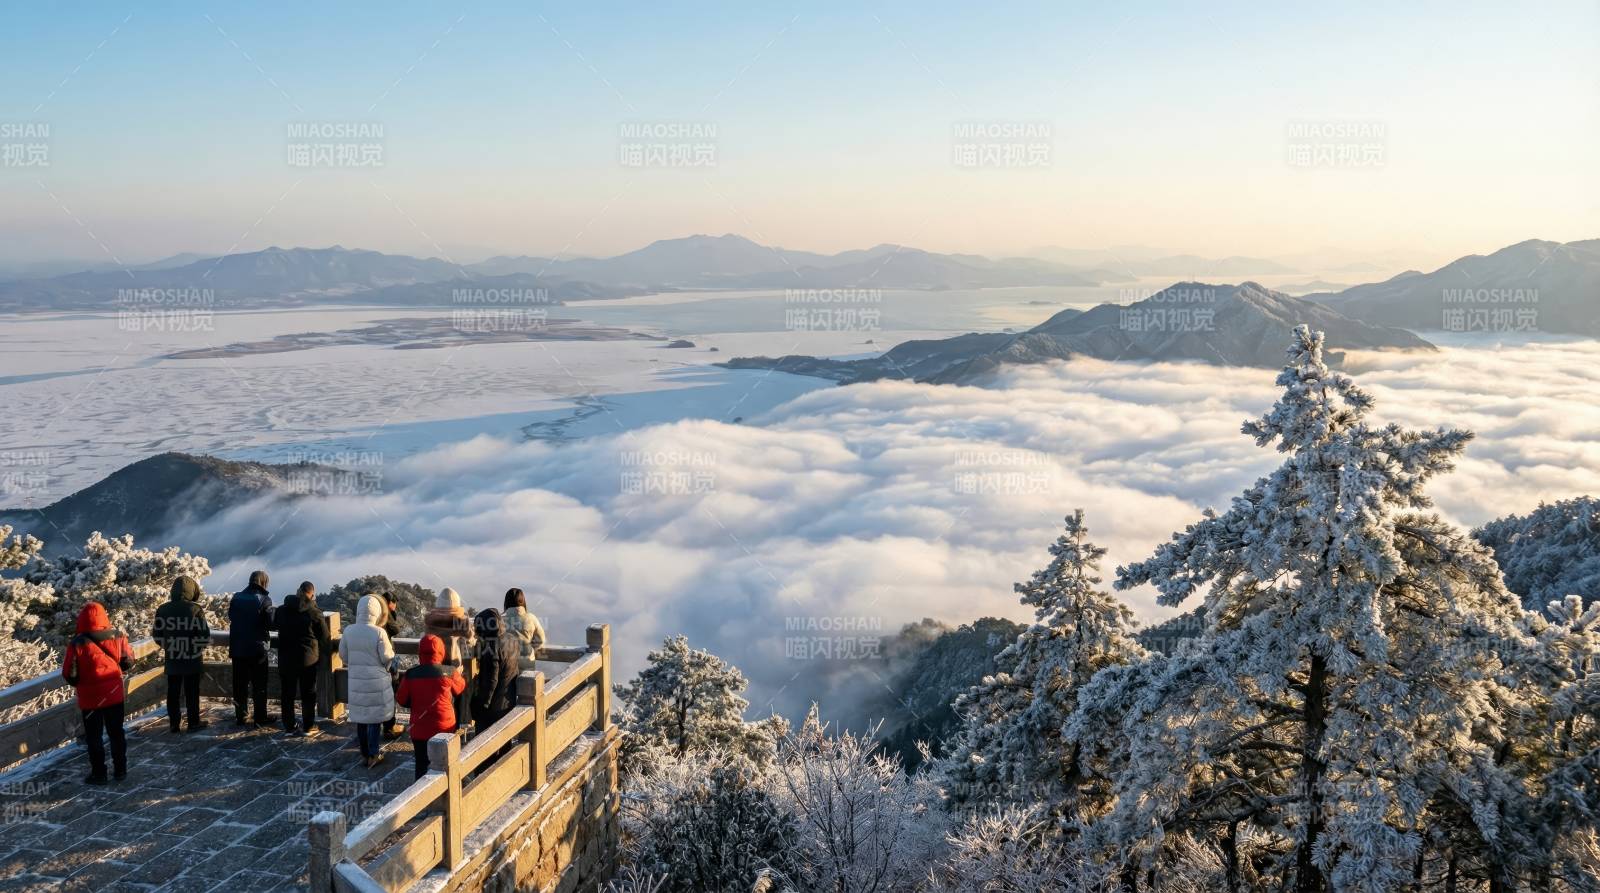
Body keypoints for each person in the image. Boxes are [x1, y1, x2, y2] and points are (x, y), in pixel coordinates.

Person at [61, 602, 134, 784]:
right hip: (114, 693)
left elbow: (69, 673)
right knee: (116, 732)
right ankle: (120, 770)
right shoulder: (117, 636)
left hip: (90, 699)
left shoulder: (77, 643)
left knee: (94, 736)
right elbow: (128, 662)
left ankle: (99, 774)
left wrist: (83, 683)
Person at [396, 634, 465, 779]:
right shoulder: (448, 671)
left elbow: (401, 699)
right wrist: (457, 674)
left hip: (419, 728)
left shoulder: (411, 674)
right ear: (441, 652)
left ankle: (421, 795)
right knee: (446, 763)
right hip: (444, 727)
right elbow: (460, 688)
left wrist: (415, 703)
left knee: (421, 764)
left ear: (420, 652)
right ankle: (447, 792)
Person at [339, 593, 397, 768]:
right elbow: (387, 657)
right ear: (377, 612)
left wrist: (356, 664)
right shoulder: (379, 632)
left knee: (362, 719)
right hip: (376, 681)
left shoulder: (349, 631)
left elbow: (343, 655)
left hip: (357, 681)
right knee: (373, 720)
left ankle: (365, 754)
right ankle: (373, 754)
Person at [153, 575, 211, 733]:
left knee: (173, 692)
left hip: (172, 658)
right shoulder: (195, 609)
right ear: (191, 591)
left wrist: (169, 646)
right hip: (192, 658)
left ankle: (174, 724)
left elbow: (157, 635)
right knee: (192, 690)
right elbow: (204, 636)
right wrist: (195, 648)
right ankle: (193, 722)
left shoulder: (163, 609)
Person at [273, 581, 330, 737]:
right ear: (311, 594)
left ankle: (289, 725)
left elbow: (275, 625)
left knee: (287, 693)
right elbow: (324, 638)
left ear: (298, 591)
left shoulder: (282, 610)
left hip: (286, 658)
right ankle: (309, 725)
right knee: (308, 693)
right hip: (308, 660)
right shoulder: (314, 612)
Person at [227, 569, 274, 727]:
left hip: (238, 648)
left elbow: (231, 617)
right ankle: (260, 718)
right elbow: (269, 623)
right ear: (263, 582)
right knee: (259, 685)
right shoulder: (264, 600)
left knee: (239, 685)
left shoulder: (236, 597)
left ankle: (241, 716)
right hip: (257, 649)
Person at [425, 587, 474, 724]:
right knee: (455, 700)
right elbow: (471, 641)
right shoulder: (461, 624)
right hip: (454, 668)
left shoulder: (430, 623)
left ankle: (438, 728)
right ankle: (455, 729)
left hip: (435, 668)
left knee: (440, 701)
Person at [470, 608, 520, 734]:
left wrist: (482, 705)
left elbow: (491, 680)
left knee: (484, 744)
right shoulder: (511, 639)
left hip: (493, 707)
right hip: (509, 700)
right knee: (505, 742)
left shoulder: (491, 647)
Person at [380, 591, 405, 738]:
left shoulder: (370, 616)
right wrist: (391, 612)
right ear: (391, 603)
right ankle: (389, 727)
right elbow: (395, 629)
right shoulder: (384, 613)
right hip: (387, 659)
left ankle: (382, 726)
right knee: (390, 693)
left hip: (373, 663)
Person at [501, 588, 546, 662]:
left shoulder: (500, 620)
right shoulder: (531, 618)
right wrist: (530, 649)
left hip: (507, 664)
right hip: (527, 663)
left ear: (506, 602)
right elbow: (541, 640)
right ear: (523, 601)